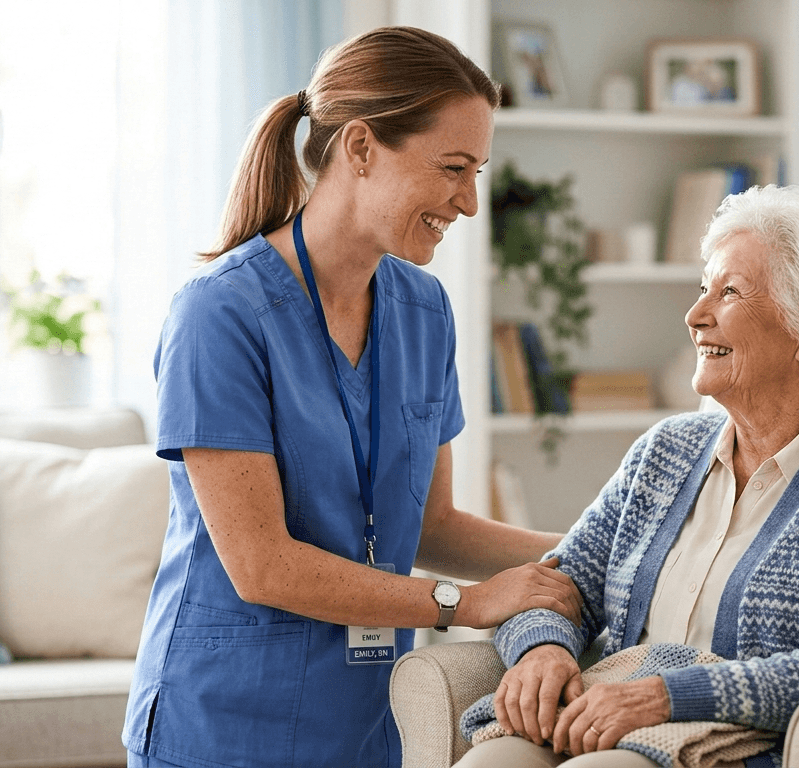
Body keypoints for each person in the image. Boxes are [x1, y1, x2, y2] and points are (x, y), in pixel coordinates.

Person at [123, 26, 582, 768]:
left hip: (368, 727)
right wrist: (465, 604)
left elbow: (431, 525)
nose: (469, 202)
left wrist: (591, 553)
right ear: (361, 148)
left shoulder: (425, 312)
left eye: (477, 173)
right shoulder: (219, 314)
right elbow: (261, 565)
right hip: (222, 729)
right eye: (453, 168)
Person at [457, 185, 799, 768]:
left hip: (737, 745)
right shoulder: (665, 451)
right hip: (605, 721)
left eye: (729, 292)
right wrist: (541, 650)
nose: (695, 316)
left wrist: (669, 696)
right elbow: (552, 587)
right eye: (703, 289)